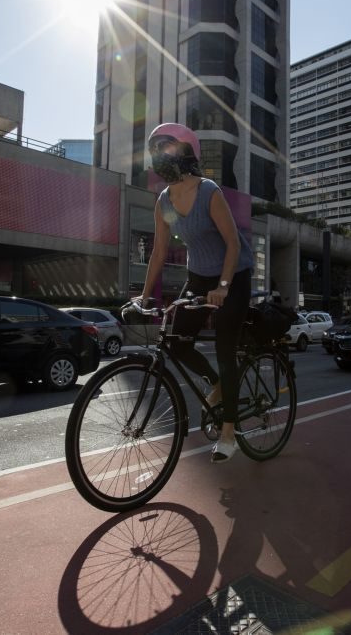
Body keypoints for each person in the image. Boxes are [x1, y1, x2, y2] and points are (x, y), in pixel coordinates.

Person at [138, 122, 254, 463]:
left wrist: (223, 287)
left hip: (234, 273)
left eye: (168, 147)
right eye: (156, 148)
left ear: (187, 152)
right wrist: (144, 297)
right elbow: (159, 251)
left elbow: (233, 244)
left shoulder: (208, 191)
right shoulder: (165, 200)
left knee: (224, 348)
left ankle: (230, 432)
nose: (161, 154)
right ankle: (217, 384)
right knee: (176, 340)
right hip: (199, 275)